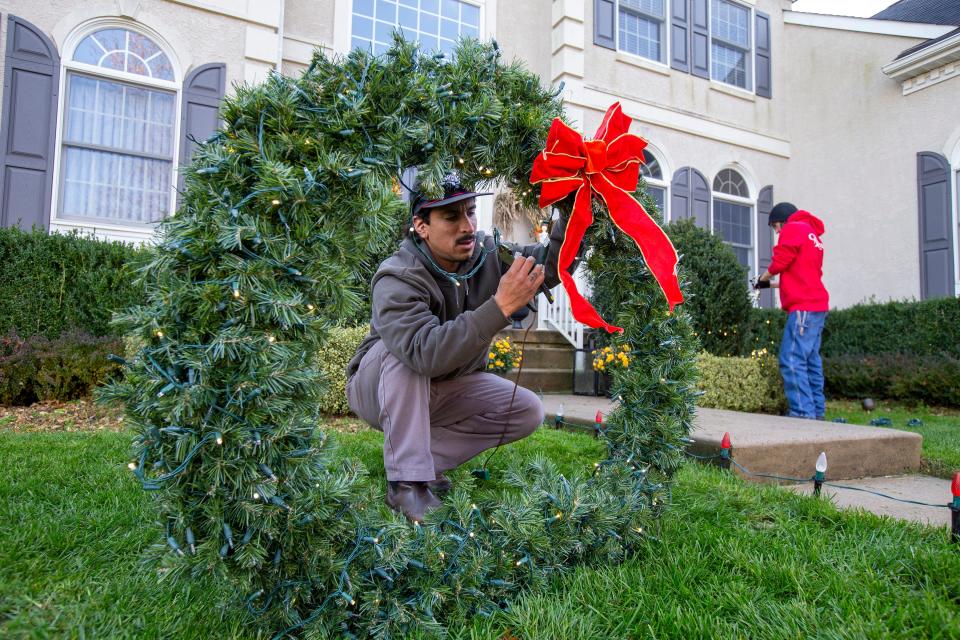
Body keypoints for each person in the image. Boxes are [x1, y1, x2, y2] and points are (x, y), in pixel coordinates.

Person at [345, 172, 575, 522]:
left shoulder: (487, 256)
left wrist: (573, 209)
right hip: (379, 389)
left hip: (444, 385)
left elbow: (550, 266)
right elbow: (424, 353)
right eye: (451, 217)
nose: (466, 225)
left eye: (470, 212)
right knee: (408, 354)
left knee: (525, 409)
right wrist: (499, 308)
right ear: (421, 226)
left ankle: (424, 462)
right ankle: (407, 483)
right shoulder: (397, 276)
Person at [756, 202, 829, 420]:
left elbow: (781, 260)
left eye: (776, 226)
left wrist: (764, 276)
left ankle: (801, 413)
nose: (777, 232)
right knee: (810, 361)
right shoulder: (812, 235)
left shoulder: (794, 228)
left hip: (803, 308)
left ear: (784, 220)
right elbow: (799, 273)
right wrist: (767, 284)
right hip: (817, 306)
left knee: (792, 358)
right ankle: (816, 411)